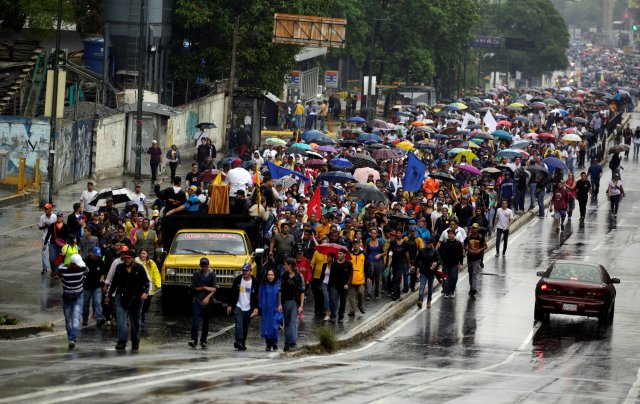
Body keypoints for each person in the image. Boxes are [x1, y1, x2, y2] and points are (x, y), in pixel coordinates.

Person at [105, 249, 149, 350]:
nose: (126, 260)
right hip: (121, 296)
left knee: (135, 321)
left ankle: (135, 341)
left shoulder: (139, 268)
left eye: (128, 258)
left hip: (136, 298)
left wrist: (145, 292)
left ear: (133, 258)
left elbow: (146, 282)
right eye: (124, 258)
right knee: (121, 320)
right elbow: (114, 283)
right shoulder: (119, 267)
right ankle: (122, 341)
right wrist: (108, 295)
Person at [58, 254, 88, 349]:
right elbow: (85, 275)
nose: (79, 265)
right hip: (67, 296)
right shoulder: (63, 269)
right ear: (73, 264)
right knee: (68, 319)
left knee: (75, 317)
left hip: (78, 295)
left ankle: (72, 338)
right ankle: (70, 338)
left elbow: (59, 277)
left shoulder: (81, 267)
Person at [227, 263, 259, 350]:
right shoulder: (238, 280)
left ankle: (242, 342)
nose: (244, 272)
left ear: (250, 271)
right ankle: (238, 341)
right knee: (239, 324)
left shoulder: (255, 282)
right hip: (238, 305)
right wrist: (230, 305)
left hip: (248, 307)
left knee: (245, 325)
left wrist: (256, 308)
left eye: (246, 271)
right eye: (243, 270)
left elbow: (257, 296)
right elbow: (232, 293)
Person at [190, 258, 217, 348]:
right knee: (196, 320)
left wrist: (208, 297)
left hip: (208, 301)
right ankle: (194, 339)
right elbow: (193, 289)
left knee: (206, 321)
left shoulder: (212, 274)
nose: (204, 268)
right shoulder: (196, 274)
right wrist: (205, 288)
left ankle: (203, 340)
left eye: (206, 266)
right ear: (200, 266)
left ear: (208, 265)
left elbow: (214, 289)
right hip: (197, 300)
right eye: (203, 266)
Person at [278, 258, 305, 352]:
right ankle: (287, 342)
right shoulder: (283, 276)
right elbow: (280, 290)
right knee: (287, 322)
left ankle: (292, 342)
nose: (284, 266)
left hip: (295, 302)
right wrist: (280, 304)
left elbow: (302, 291)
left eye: (285, 264)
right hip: (285, 301)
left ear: (290, 265)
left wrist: (301, 305)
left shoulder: (299, 276)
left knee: (293, 322)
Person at [82, 246, 106, 327]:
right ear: (91, 253)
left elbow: (104, 272)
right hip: (87, 286)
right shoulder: (85, 261)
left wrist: (101, 279)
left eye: (98, 256)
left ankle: (99, 319)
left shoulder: (100, 261)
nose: (96, 257)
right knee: (85, 304)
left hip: (97, 286)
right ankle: (84, 319)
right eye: (95, 255)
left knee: (98, 303)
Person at [414, 237, 440, 308]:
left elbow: (439, 260)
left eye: (429, 243)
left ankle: (429, 301)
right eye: (426, 243)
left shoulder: (435, 251)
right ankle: (420, 300)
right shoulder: (422, 251)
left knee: (430, 287)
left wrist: (436, 262)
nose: (427, 244)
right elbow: (417, 260)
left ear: (431, 243)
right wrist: (416, 268)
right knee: (422, 287)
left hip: (431, 273)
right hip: (423, 272)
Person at [137, 249, 161, 325]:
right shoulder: (136, 261)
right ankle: (138, 317)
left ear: (147, 255)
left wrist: (158, 283)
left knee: (147, 304)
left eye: (144, 253)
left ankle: (143, 314)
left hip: (149, 287)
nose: (142, 255)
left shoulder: (151, 263)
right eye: (141, 253)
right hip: (139, 287)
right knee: (139, 303)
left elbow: (156, 273)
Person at [438, 229, 464, 299]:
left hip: (454, 264)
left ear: (454, 235)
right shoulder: (444, 242)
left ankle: (452, 291)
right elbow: (440, 252)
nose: (450, 235)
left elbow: (461, 254)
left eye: (452, 234)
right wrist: (441, 260)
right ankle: (446, 292)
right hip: (446, 264)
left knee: (454, 277)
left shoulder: (458, 243)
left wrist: (461, 263)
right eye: (449, 233)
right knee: (446, 278)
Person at [328, 249, 353, 323]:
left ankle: (340, 317)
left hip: (344, 286)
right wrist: (330, 285)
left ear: (344, 254)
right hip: (335, 285)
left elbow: (351, 275)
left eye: (340, 253)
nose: (338, 255)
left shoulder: (348, 264)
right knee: (334, 301)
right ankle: (333, 316)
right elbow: (331, 276)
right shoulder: (334, 264)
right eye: (338, 253)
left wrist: (347, 284)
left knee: (343, 302)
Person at [259, 269, 280, 351]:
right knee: (267, 327)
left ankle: (274, 342)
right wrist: (260, 306)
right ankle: (268, 344)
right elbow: (261, 296)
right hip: (266, 309)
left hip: (275, 308)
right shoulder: (264, 285)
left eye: (272, 275)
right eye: (268, 275)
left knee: (275, 326)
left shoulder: (278, 284)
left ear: (274, 276)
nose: (270, 276)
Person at [386, 230, 410, 301]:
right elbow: (390, 252)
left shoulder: (405, 243)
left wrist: (409, 263)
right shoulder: (393, 242)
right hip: (394, 263)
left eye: (400, 233)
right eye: (397, 233)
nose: (398, 234)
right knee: (395, 278)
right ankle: (398, 293)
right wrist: (388, 263)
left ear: (402, 234)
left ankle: (394, 292)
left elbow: (407, 253)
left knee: (397, 278)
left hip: (402, 263)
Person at [464, 223, 487, 297]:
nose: (474, 229)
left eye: (475, 228)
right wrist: (468, 250)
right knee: (470, 273)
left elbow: (486, 246)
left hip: (477, 258)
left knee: (474, 273)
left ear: (478, 229)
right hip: (470, 258)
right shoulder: (468, 237)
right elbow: (464, 246)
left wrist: (479, 250)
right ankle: (472, 288)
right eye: (473, 228)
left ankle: (474, 288)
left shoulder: (480, 237)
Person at [348, 243, 366, 316]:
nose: (355, 246)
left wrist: (369, 276)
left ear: (359, 245)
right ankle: (352, 311)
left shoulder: (364, 254)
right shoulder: (349, 255)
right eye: (354, 244)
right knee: (351, 295)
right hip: (351, 278)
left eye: (357, 244)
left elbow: (367, 265)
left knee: (361, 292)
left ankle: (360, 304)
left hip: (361, 278)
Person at [39, 203, 57, 274]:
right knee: (44, 254)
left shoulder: (54, 217)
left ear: (50, 209)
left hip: (53, 238)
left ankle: (54, 269)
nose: (45, 210)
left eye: (47, 209)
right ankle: (44, 268)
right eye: (45, 209)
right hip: (44, 237)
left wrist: (51, 226)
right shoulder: (42, 217)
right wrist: (45, 226)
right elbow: (40, 227)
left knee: (53, 255)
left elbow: (56, 227)